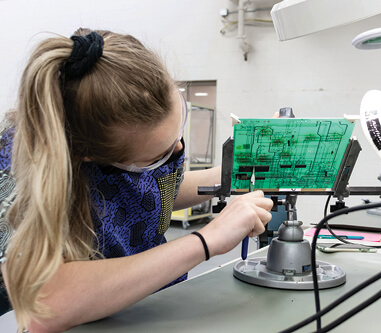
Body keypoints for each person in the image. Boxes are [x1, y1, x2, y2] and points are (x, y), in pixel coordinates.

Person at [0, 28, 273, 332]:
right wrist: (206, 240)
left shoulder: (124, 135)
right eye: (156, 157)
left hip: (142, 310)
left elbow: (147, 192)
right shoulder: (15, 170)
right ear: (88, 155)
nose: (178, 150)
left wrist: (233, 174)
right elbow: (46, 306)